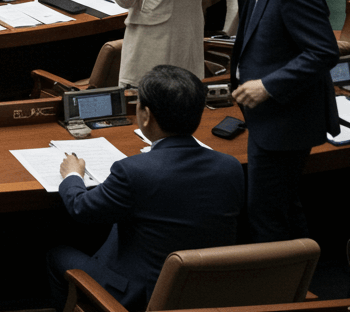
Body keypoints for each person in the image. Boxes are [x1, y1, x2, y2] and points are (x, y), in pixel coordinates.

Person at [46, 65, 243, 311]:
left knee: (57, 254)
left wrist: (72, 174)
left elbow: (81, 208)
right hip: (206, 291)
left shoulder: (133, 171)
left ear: (146, 115)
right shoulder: (231, 167)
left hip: (140, 296)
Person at [226, 0, 339, 242]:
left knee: (266, 214)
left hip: (285, 122)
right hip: (271, 118)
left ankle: (278, 276)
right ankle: (302, 269)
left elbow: (323, 51)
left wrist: (267, 86)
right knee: (283, 205)